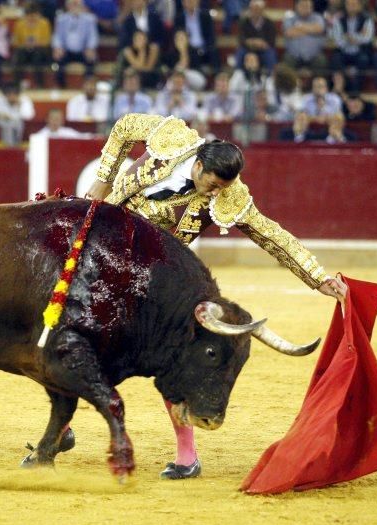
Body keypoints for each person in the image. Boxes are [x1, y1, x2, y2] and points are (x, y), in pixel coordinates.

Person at [84, 113, 348, 479]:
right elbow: (126, 127)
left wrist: (317, 277)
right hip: (103, 248)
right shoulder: (172, 136)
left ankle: (187, 456)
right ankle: (61, 431)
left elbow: (271, 235)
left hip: (154, 278)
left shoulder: (230, 195)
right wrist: (103, 180)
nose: (217, 193)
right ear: (198, 165)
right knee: (73, 335)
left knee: (171, 360)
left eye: (225, 186)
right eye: (212, 184)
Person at [51, 0, 99, 88]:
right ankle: (61, 86)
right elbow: (57, 36)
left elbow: (93, 36)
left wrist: (90, 48)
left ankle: (88, 86)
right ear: (68, 6)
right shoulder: (61, 19)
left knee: (92, 59)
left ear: (81, 5)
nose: (75, 6)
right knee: (57, 62)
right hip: (66, 51)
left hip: (83, 51)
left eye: (77, 4)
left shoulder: (90, 19)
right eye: (72, 4)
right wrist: (58, 48)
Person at [329, 0, 374, 92]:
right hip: (343, 51)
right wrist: (357, 37)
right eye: (349, 4)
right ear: (345, 5)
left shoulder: (367, 19)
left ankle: (356, 90)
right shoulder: (339, 19)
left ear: (360, 6)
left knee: (364, 60)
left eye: (354, 4)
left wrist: (349, 37)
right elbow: (337, 40)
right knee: (335, 59)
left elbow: (367, 39)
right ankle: (342, 88)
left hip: (360, 51)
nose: (351, 6)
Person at [173, 0, 221, 75]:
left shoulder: (205, 15)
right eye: (188, 1)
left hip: (204, 46)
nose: (190, 3)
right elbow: (178, 36)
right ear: (183, 3)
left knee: (214, 51)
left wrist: (206, 46)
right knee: (192, 54)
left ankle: (217, 76)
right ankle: (198, 76)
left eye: (192, 1)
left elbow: (211, 35)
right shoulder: (179, 18)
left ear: (197, 2)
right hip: (188, 47)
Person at [12, 2, 52, 88]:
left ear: (38, 14)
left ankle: (39, 84)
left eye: (34, 16)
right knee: (19, 56)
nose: (32, 18)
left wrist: (37, 43)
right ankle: (17, 84)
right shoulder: (20, 24)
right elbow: (15, 42)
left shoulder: (44, 23)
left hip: (40, 50)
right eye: (29, 16)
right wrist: (24, 44)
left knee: (37, 56)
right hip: (24, 50)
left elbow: (47, 41)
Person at [282, 0, 327, 74]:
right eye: (304, 6)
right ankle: (289, 85)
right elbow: (289, 33)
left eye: (309, 6)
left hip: (315, 55)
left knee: (321, 60)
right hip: (293, 55)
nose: (307, 8)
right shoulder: (290, 18)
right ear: (297, 6)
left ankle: (319, 85)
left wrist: (299, 26)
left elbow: (319, 29)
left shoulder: (318, 18)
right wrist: (311, 30)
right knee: (287, 60)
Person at [237, 0, 278, 72]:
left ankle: (271, 78)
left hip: (264, 49)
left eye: (257, 9)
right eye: (252, 9)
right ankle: (238, 76)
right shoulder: (244, 22)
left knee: (271, 54)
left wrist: (262, 44)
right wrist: (252, 42)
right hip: (248, 48)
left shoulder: (269, 23)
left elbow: (272, 41)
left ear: (262, 10)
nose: (254, 11)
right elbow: (241, 39)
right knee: (240, 53)